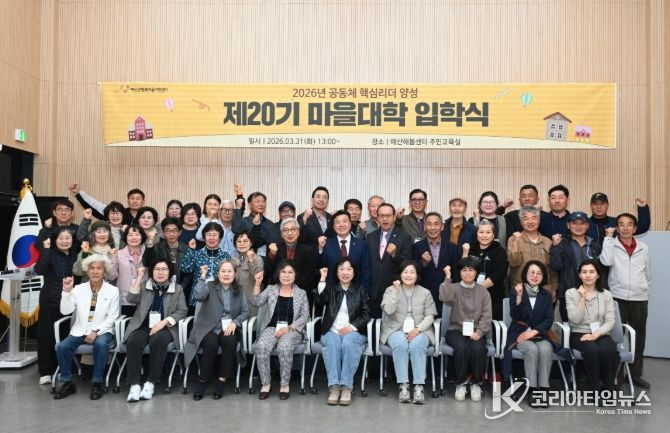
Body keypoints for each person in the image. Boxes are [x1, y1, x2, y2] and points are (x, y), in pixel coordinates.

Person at [53, 254, 120, 400]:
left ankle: (97, 383)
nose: (95, 271)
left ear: (105, 271)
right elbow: (65, 311)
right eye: (92, 268)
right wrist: (66, 291)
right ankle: (67, 382)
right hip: (80, 330)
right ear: (87, 271)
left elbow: (113, 316)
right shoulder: (78, 289)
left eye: (99, 268)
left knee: (101, 345)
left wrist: (96, 331)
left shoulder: (112, 290)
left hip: (103, 330)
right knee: (62, 347)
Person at [599, 213, 651, 389]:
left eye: (629, 224)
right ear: (617, 228)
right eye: (621, 224)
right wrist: (608, 238)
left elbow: (647, 273)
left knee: (639, 338)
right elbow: (606, 261)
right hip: (617, 297)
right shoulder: (611, 244)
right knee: (615, 337)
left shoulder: (644, 248)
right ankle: (615, 376)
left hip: (639, 298)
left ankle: (635, 375)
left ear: (635, 228)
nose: (625, 228)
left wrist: (642, 289)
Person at [184, 260, 249, 400]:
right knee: (211, 344)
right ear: (218, 274)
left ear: (235, 274)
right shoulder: (210, 286)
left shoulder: (239, 290)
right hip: (209, 327)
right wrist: (202, 276)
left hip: (228, 327)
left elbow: (245, 312)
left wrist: (235, 323)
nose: (226, 274)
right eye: (223, 271)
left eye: (229, 271)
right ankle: (202, 381)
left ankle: (221, 381)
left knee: (230, 342)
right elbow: (198, 296)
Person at [124, 259, 188, 402]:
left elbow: (183, 310)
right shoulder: (144, 286)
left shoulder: (177, 289)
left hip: (165, 328)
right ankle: (134, 384)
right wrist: (139, 277)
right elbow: (131, 299)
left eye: (164, 269)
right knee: (133, 341)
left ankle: (150, 383)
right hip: (143, 326)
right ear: (152, 272)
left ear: (170, 272)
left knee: (158, 340)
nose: (160, 272)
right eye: (157, 269)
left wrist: (164, 322)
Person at [380, 260, 437, 404]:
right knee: (400, 344)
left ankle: (418, 387)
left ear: (417, 275)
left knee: (417, 345)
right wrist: (395, 292)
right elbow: (388, 310)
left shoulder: (425, 292)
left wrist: (418, 329)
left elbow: (430, 316)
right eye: (405, 272)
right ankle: (403, 386)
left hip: (420, 330)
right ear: (400, 274)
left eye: (412, 272)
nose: (408, 275)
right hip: (395, 329)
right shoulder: (390, 290)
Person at [252, 261, 310, 400]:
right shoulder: (271, 289)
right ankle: (266, 384)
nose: (286, 275)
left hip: (292, 330)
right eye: (283, 272)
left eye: (290, 272)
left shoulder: (301, 293)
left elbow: (305, 316)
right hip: (272, 328)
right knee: (261, 346)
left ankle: (284, 385)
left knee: (284, 347)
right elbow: (256, 302)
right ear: (278, 274)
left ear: (295, 275)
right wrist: (257, 283)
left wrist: (288, 328)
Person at [500, 260, 555, 408]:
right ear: (526, 274)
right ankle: (532, 389)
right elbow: (515, 315)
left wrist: (534, 332)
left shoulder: (546, 295)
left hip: (539, 333)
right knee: (532, 349)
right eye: (532, 272)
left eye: (539, 273)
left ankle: (543, 388)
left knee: (546, 349)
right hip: (519, 332)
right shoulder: (516, 290)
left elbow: (549, 319)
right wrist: (518, 297)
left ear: (543, 276)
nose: (535, 276)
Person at [315, 260, 370, 405]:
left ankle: (346, 386)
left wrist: (351, 327)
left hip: (354, 331)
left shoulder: (360, 289)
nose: (345, 272)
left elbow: (366, 314)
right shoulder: (331, 288)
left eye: (349, 269)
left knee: (348, 342)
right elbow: (320, 300)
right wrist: (323, 278)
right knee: (333, 344)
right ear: (337, 272)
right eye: (341, 269)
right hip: (331, 330)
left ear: (354, 272)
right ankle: (334, 386)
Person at [440, 257, 492, 402]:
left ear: (476, 273)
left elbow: (487, 315)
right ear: (460, 272)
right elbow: (444, 297)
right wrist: (448, 277)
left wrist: (479, 332)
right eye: (464, 270)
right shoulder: (454, 287)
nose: (467, 273)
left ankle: (476, 382)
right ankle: (461, 383)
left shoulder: (483, 291)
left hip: (476, 330)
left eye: (471, 270)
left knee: (478, 349)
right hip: (456, 330)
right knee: (461, 348)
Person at [565, 260, 620, 396]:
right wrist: (582, 298)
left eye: (591, 272)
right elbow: (575, 319)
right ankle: (595, 388)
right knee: (592, 350)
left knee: (609, 350)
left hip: (600, 333)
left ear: (598, 275)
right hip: (579, 333)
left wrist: (596, 334)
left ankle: (608, 389)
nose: (588, 275)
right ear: (579, 275)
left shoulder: (606, 294)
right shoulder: (571, 293)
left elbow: (610, 321)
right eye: (584, 272)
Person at [34, 226, 78, 385]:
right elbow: (39, 270)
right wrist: (45, 250)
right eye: (61, 238)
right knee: (47, 337)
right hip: (50, 301)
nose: (64, 241)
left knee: (66, 336)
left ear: (72, 240)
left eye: (67, 238)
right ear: (55, 240)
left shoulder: (75, 255)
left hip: (70, 302)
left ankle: (63, 368)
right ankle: (45, 371)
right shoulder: (50, 253)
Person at [550, 211, 602, 321]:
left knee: (592, 325)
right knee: (569, 326)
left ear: (587, 226)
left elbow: (601, 270)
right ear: (568, 225)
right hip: (569, 293)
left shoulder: (594, 245)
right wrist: (555, 246)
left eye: (582, 223)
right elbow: (556, 266)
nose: (578, 226)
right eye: (574, 223)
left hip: (592, 294)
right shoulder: (561, 244)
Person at [367, 203, 413, 318]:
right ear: (377, 217)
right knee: (375, 325)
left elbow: (407, 264)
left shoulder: (405, 237)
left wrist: (394, 255)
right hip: (374, 292)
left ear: (394, 217)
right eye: (381, 216)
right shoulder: (370, 237)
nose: (385, 219)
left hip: (395, 290)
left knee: (394, 325)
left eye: (388, 215)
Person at [266, 218, 319, 312]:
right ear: (282, 234)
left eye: (293, 229)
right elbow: (269, 273)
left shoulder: (309, 250)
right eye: (286, 230)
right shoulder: (275, 249)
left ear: (298, 232)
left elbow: (309, 275)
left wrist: (291, 289)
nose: (289, 233)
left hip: (302, 294)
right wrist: (272, 255)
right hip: (278, 294)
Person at [412, 212, 461, 311]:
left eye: (436, 224)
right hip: (423, 299)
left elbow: (456, 275)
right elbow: (412, 273)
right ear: (425, 227)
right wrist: (423, 263)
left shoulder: (452, 248)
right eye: (429, 224)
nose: (433, 228)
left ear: (442, 227)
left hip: (446, 299)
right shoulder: (416, 247)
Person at [507, 206, 558, 300]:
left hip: (545, 290)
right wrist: (515, 243)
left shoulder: (547, 241)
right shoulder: (513, 239)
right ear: (521, 221)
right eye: (526, 219)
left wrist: (554, 287)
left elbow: (553, 268)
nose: (530, 222)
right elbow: (514, 263)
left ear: (539, 220)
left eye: (534, 218)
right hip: (521, 291)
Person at [180, 222, 232, 310]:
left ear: (220, 238)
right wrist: (190, 250)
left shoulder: (226, 255)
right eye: (208, 235)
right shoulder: (196, 253)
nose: (211, 238)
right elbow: (185, 269)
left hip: (220, 297)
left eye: (214, 235)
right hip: (198, 298)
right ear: (204, 237)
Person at [465, 219, 509, 320]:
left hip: (493, 297)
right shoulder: (470, 249)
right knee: (470, 324)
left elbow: (500, 273)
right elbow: (462, 268)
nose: (484, 235)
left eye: (488, 232)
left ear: (493, 235)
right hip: (470, 296)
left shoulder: (499, 251)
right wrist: (465, 253)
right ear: (476, 234)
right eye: (481, 232)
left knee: (490, 326)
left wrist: (478, 288)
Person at [320, 210, 371, 290]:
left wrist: (362, 293)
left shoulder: (362, 245)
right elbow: (320, 266)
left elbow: (366, 272)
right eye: (337, 222)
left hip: (356, 292)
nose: (341, 225)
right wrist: (320, 249)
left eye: (344, 221)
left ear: (350, 224)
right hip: (332, 292)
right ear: (333, 226)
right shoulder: (326, 244)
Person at [143, 217, 191, 290]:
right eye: (167, 230)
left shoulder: (187, 250)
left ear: (180, 232)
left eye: (174, 230)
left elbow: (188, 275)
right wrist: (150, 242)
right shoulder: (157, 248)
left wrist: (179, 289)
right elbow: (146, 263)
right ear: (163, 232)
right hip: (159, 289)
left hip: (180, 290)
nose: (171, 234)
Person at [587, 193, 651, 244]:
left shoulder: (617, 222)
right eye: (595, 204)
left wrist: (643, 208)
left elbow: (642, 227)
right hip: (589, 257)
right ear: (591, 206)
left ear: (607, 205)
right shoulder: (584, 224)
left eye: (602, 204)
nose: (599, 207)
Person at [113, 225, 147, 316]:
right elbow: (111, 276)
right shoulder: (119, 254)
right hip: (125, 298)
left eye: (137, 234)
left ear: (142, 236)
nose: (134, 237)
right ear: (126, 237)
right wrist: (113, 258)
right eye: (130, 235)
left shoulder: (149, 253)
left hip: (145, 297)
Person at [70, 183, 144, 225]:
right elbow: (95, 205)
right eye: (132, 198)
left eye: (138, 198)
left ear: (143, 201)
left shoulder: (147, 214)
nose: (135, 201)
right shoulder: (118, 212)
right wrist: (78, 193)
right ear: (128, 200)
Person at [231, 230, 265, 317]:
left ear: (251, 243)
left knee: (251, 325)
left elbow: (258, 278)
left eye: (245, 241)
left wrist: (251, 260)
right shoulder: (233, 260)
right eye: (239, 241)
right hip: (236, 303)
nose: (242, 244)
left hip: (252, 303)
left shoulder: (257, 259)